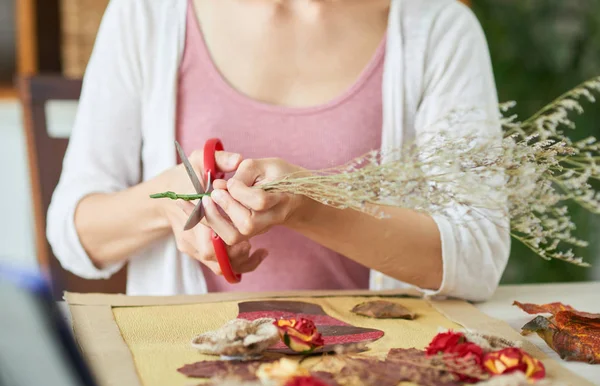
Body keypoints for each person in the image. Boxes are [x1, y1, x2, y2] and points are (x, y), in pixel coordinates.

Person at [47, 0, 510, 300]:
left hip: (378, 375)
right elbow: (74, 234)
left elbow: (478, 257)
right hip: (179, 372)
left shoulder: (440, 30)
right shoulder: (145, 16)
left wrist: (307, 207)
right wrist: (168, 202)